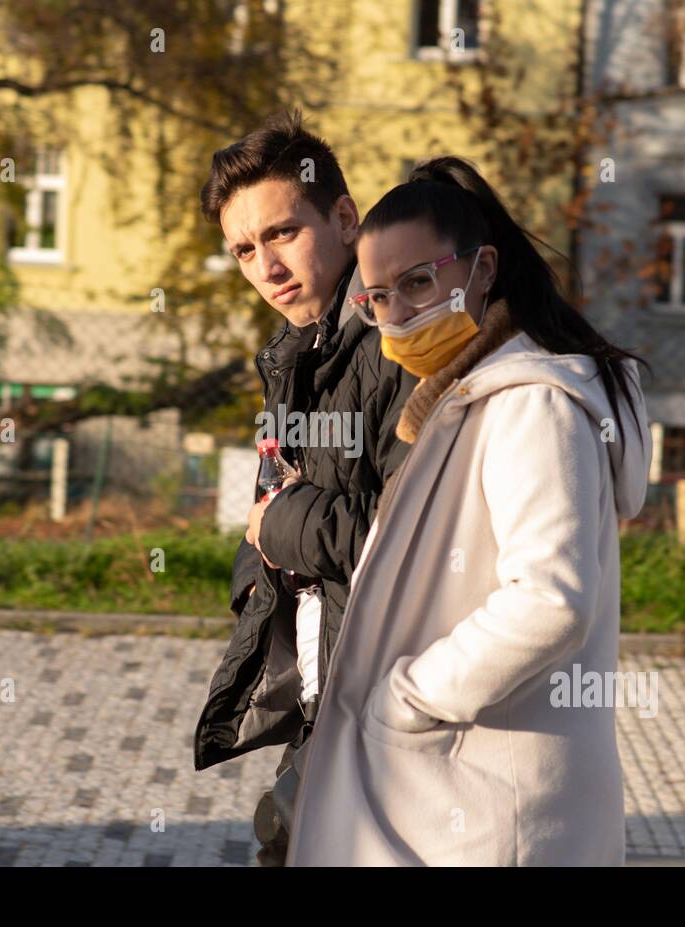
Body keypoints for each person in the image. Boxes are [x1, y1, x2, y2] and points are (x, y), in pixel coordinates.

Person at [284, 156, 652, 866]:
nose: (399, 315)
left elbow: (550, 601)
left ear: (483, 270)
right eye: (378, 298)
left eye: (419, 282)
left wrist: (408, 699)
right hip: (454, 794)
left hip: (483, 806)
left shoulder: (531, 402)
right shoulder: (467, 400)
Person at [191, 110, 418, 865]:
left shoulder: (401, 346)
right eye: (244, 250)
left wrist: (276, 527)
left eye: (282, 233)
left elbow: (414, 540)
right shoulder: (295, 355)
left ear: (345, 219)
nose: (265, 266)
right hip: (327, 698)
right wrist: (256, 589)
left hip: (396, 702)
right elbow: (266, 511)